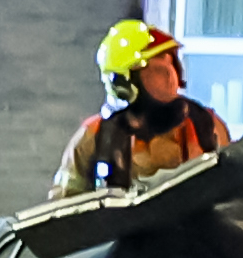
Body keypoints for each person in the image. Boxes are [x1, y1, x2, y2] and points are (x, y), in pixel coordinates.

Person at [62, 22, 226, 194]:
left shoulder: (206, 127)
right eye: (157, 69)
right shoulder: (95, 137)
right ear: (124, 82)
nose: (171, 77)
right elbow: (65, 207)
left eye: (171, 63)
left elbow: (233, 194)